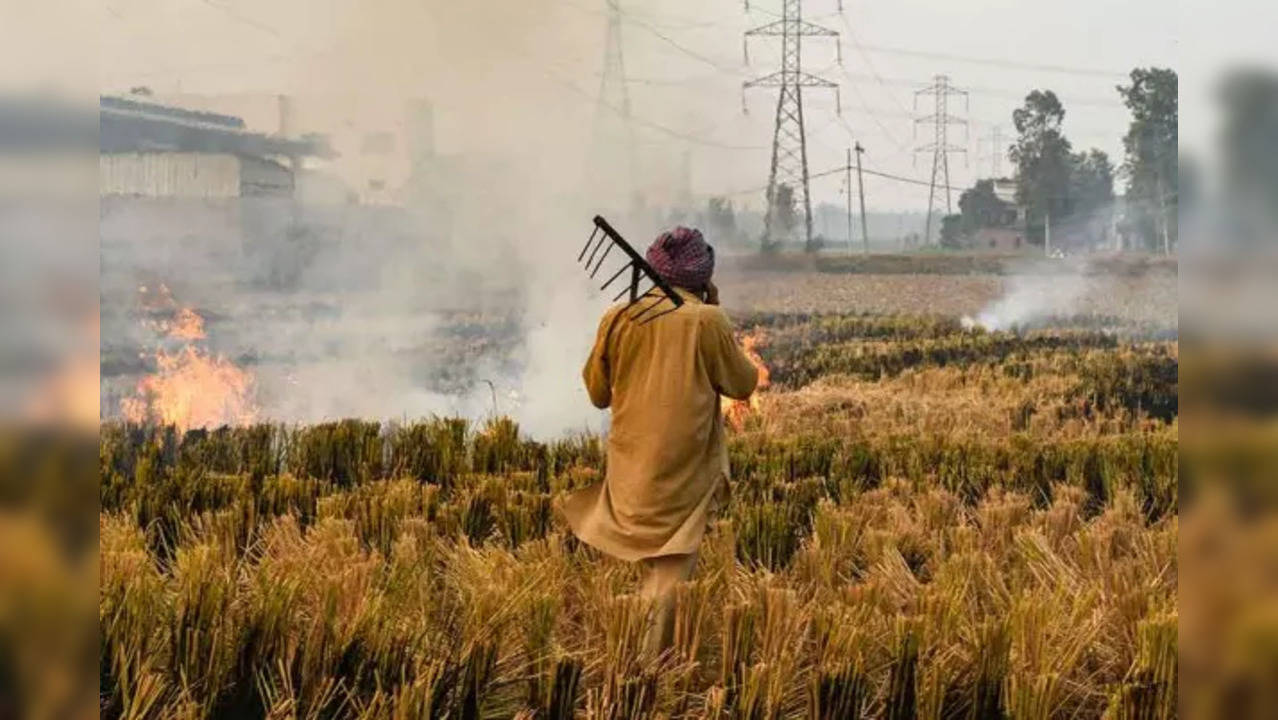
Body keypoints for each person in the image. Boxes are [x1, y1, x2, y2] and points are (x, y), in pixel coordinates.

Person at [559, 226, 759, 658]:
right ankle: (642, 669)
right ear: (702, 278)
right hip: (685, 467)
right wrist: (715, 314)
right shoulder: (707, 320)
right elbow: (742, 384)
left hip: (631, 464)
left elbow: (598, 394)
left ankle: (632, 650)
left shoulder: (618, 317)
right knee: (670, 567)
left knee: (653, 562)